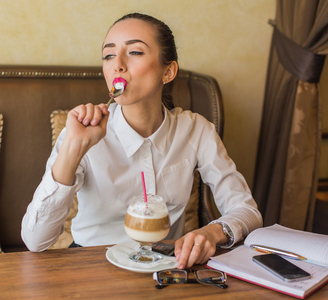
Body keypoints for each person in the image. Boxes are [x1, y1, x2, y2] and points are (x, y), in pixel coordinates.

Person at [21, 12, 262, 269]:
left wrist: (211, 233)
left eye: (135, 52)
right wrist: (72, 149)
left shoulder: (195, 130)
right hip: (92, 266)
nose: (118, 65)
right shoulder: (81, 133)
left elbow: (248, 211)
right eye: (109, 55)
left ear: (167, 71)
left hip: (164, 266)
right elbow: (35, 241)